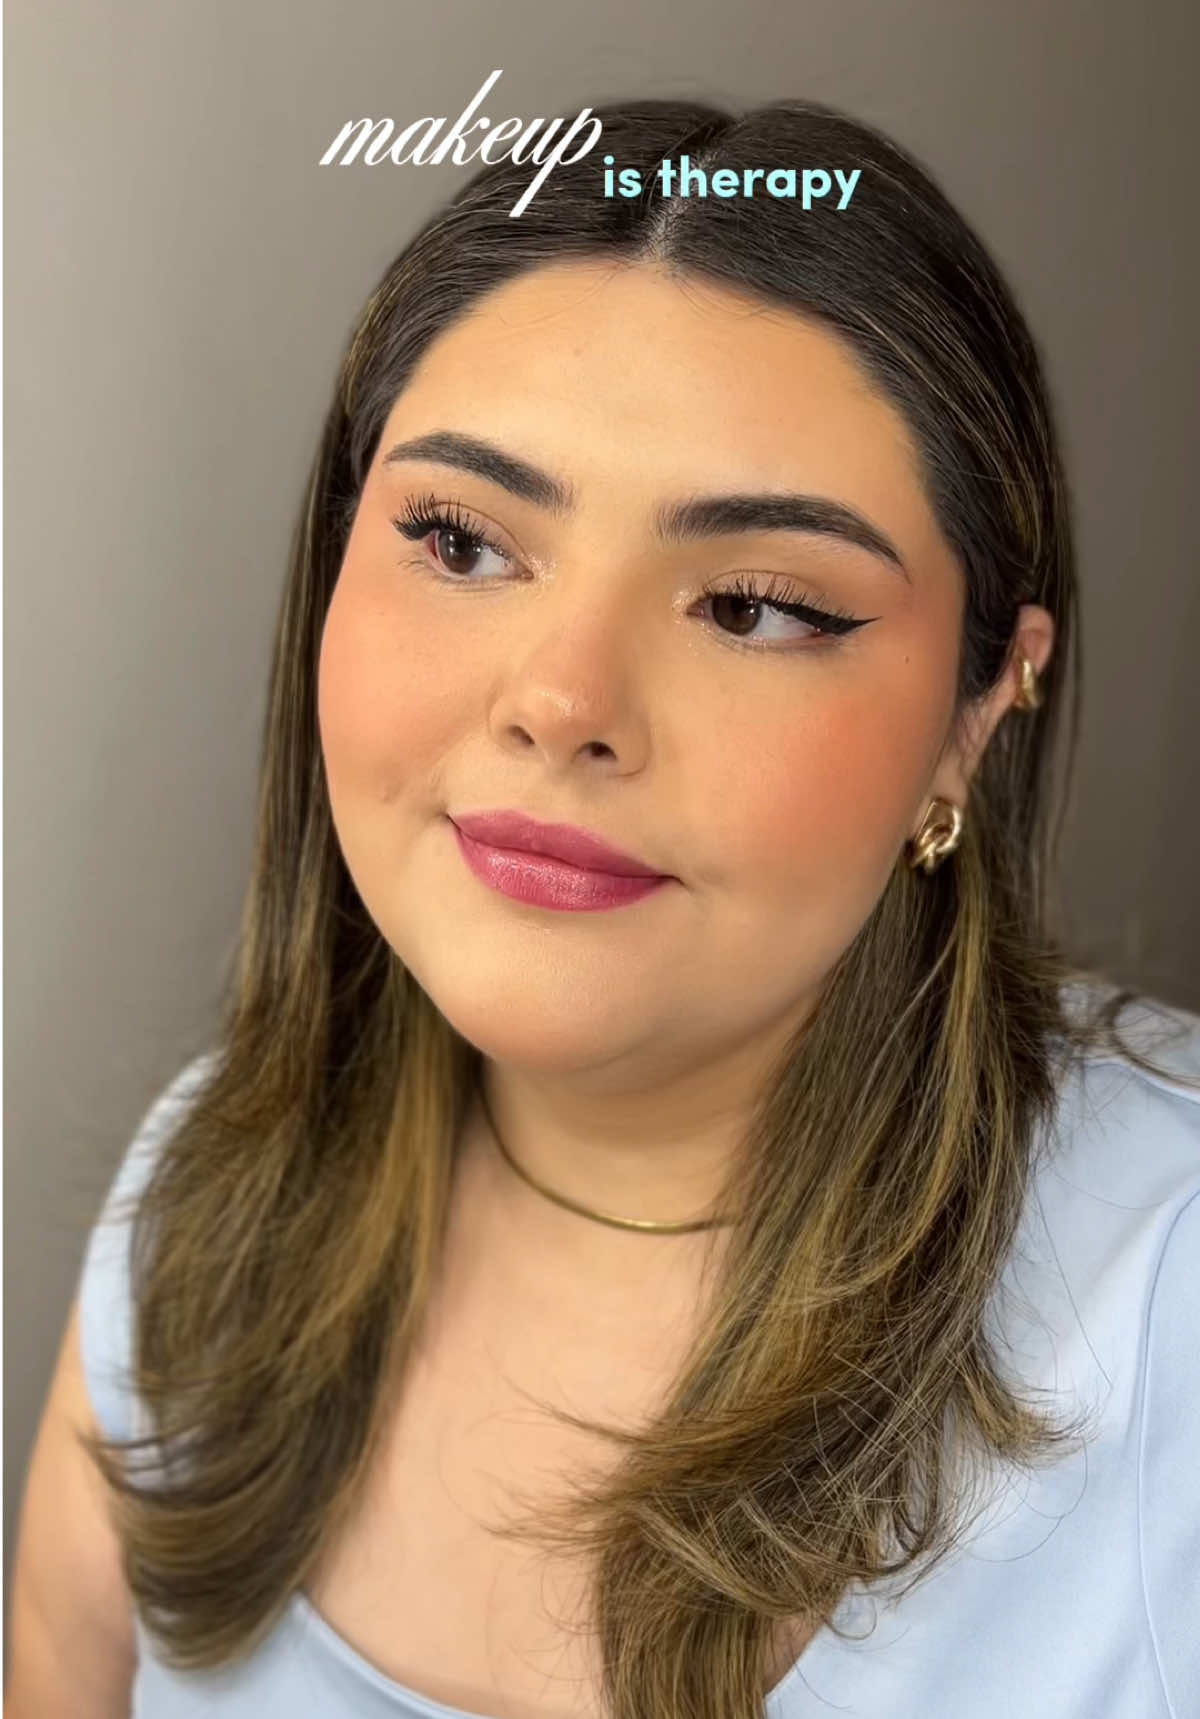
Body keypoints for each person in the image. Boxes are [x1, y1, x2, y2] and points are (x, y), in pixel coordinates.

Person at [6, 94, 1199, 1719]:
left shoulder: (1169, 1305)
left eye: (756, 606)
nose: (563, 700)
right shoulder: (199, 1208)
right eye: (460, 540)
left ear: (979, 714)